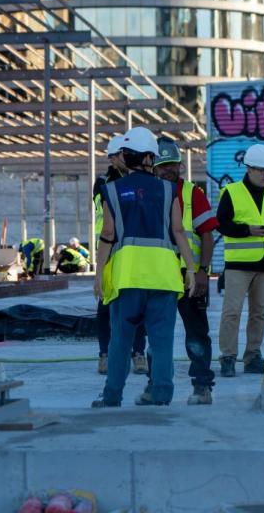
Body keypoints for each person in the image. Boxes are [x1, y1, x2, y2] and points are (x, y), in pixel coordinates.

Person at [92, 127, 196, 408]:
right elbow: (178, 231)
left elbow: (108, 234)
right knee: (162, 341)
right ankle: (161, 393)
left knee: (120, 341)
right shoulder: (169, 190)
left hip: (127, 277)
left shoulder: (111, 190)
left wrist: (99, 274)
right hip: (164, 278)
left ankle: (112, 395)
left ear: (126, 156)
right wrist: (191, 269)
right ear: (151, 157)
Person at [150, 136, 219, 404]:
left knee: (197, 333)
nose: (168, 170)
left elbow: (207, 235)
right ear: (153, 167)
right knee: (156, 333)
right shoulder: (149, 195)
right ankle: (154, 385)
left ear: (180, 165)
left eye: (173, 164)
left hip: (188, 277)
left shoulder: (192, 193)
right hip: (158, 276)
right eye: (163, 165)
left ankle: (202, 387)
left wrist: (202, 271)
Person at [215, 143, 264, 377]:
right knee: (232, 312)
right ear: (249, 169)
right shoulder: (232, 192)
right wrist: (247, 231)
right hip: (238, 266)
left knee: (259, 314)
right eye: (262, 170)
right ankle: (228, 357)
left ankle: (253, 356)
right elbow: (221, 224)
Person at [94, 134, 128, 375]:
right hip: (109, 247)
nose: (126, 159)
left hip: (133, 245)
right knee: (106, 302)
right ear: (113, 159)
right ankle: (104, 354)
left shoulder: (139, 178)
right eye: (121, 155)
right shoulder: (104, 183)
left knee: (137, 300)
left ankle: (137, 352)